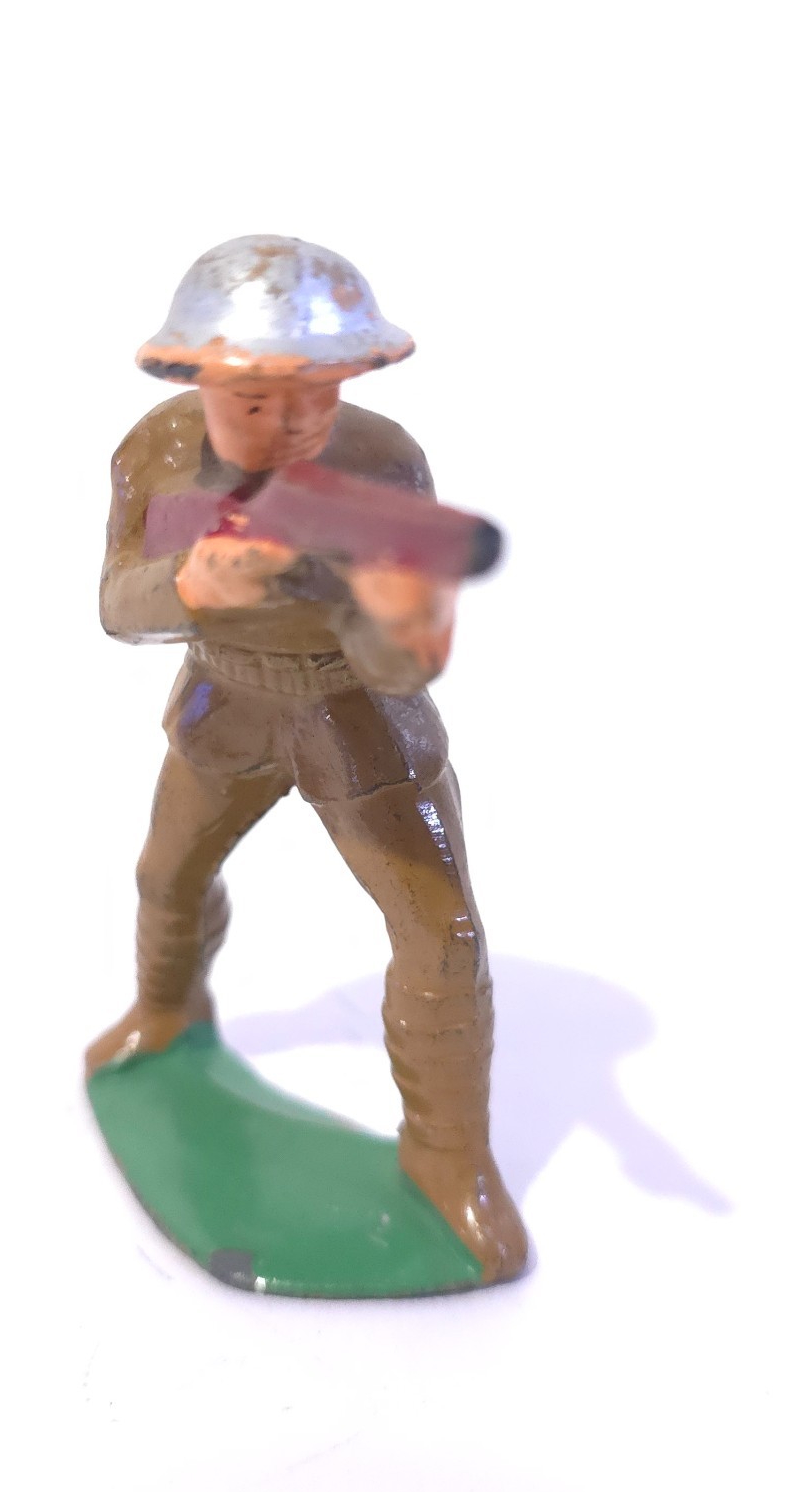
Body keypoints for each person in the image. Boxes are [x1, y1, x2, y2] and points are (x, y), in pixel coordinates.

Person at [86, 235, 527, 1282]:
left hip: (357, 720)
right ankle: (164, 1013)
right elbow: (116, 605)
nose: (293, 425)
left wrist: (395, 618)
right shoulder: (153, 454)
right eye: (256, 401)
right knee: (168, 874)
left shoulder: (382, 465)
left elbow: (401, 660)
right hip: (224, 702)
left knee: (441, 933)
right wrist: (193, 585)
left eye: (319, 396)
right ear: (193, 376)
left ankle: (449, 1160)